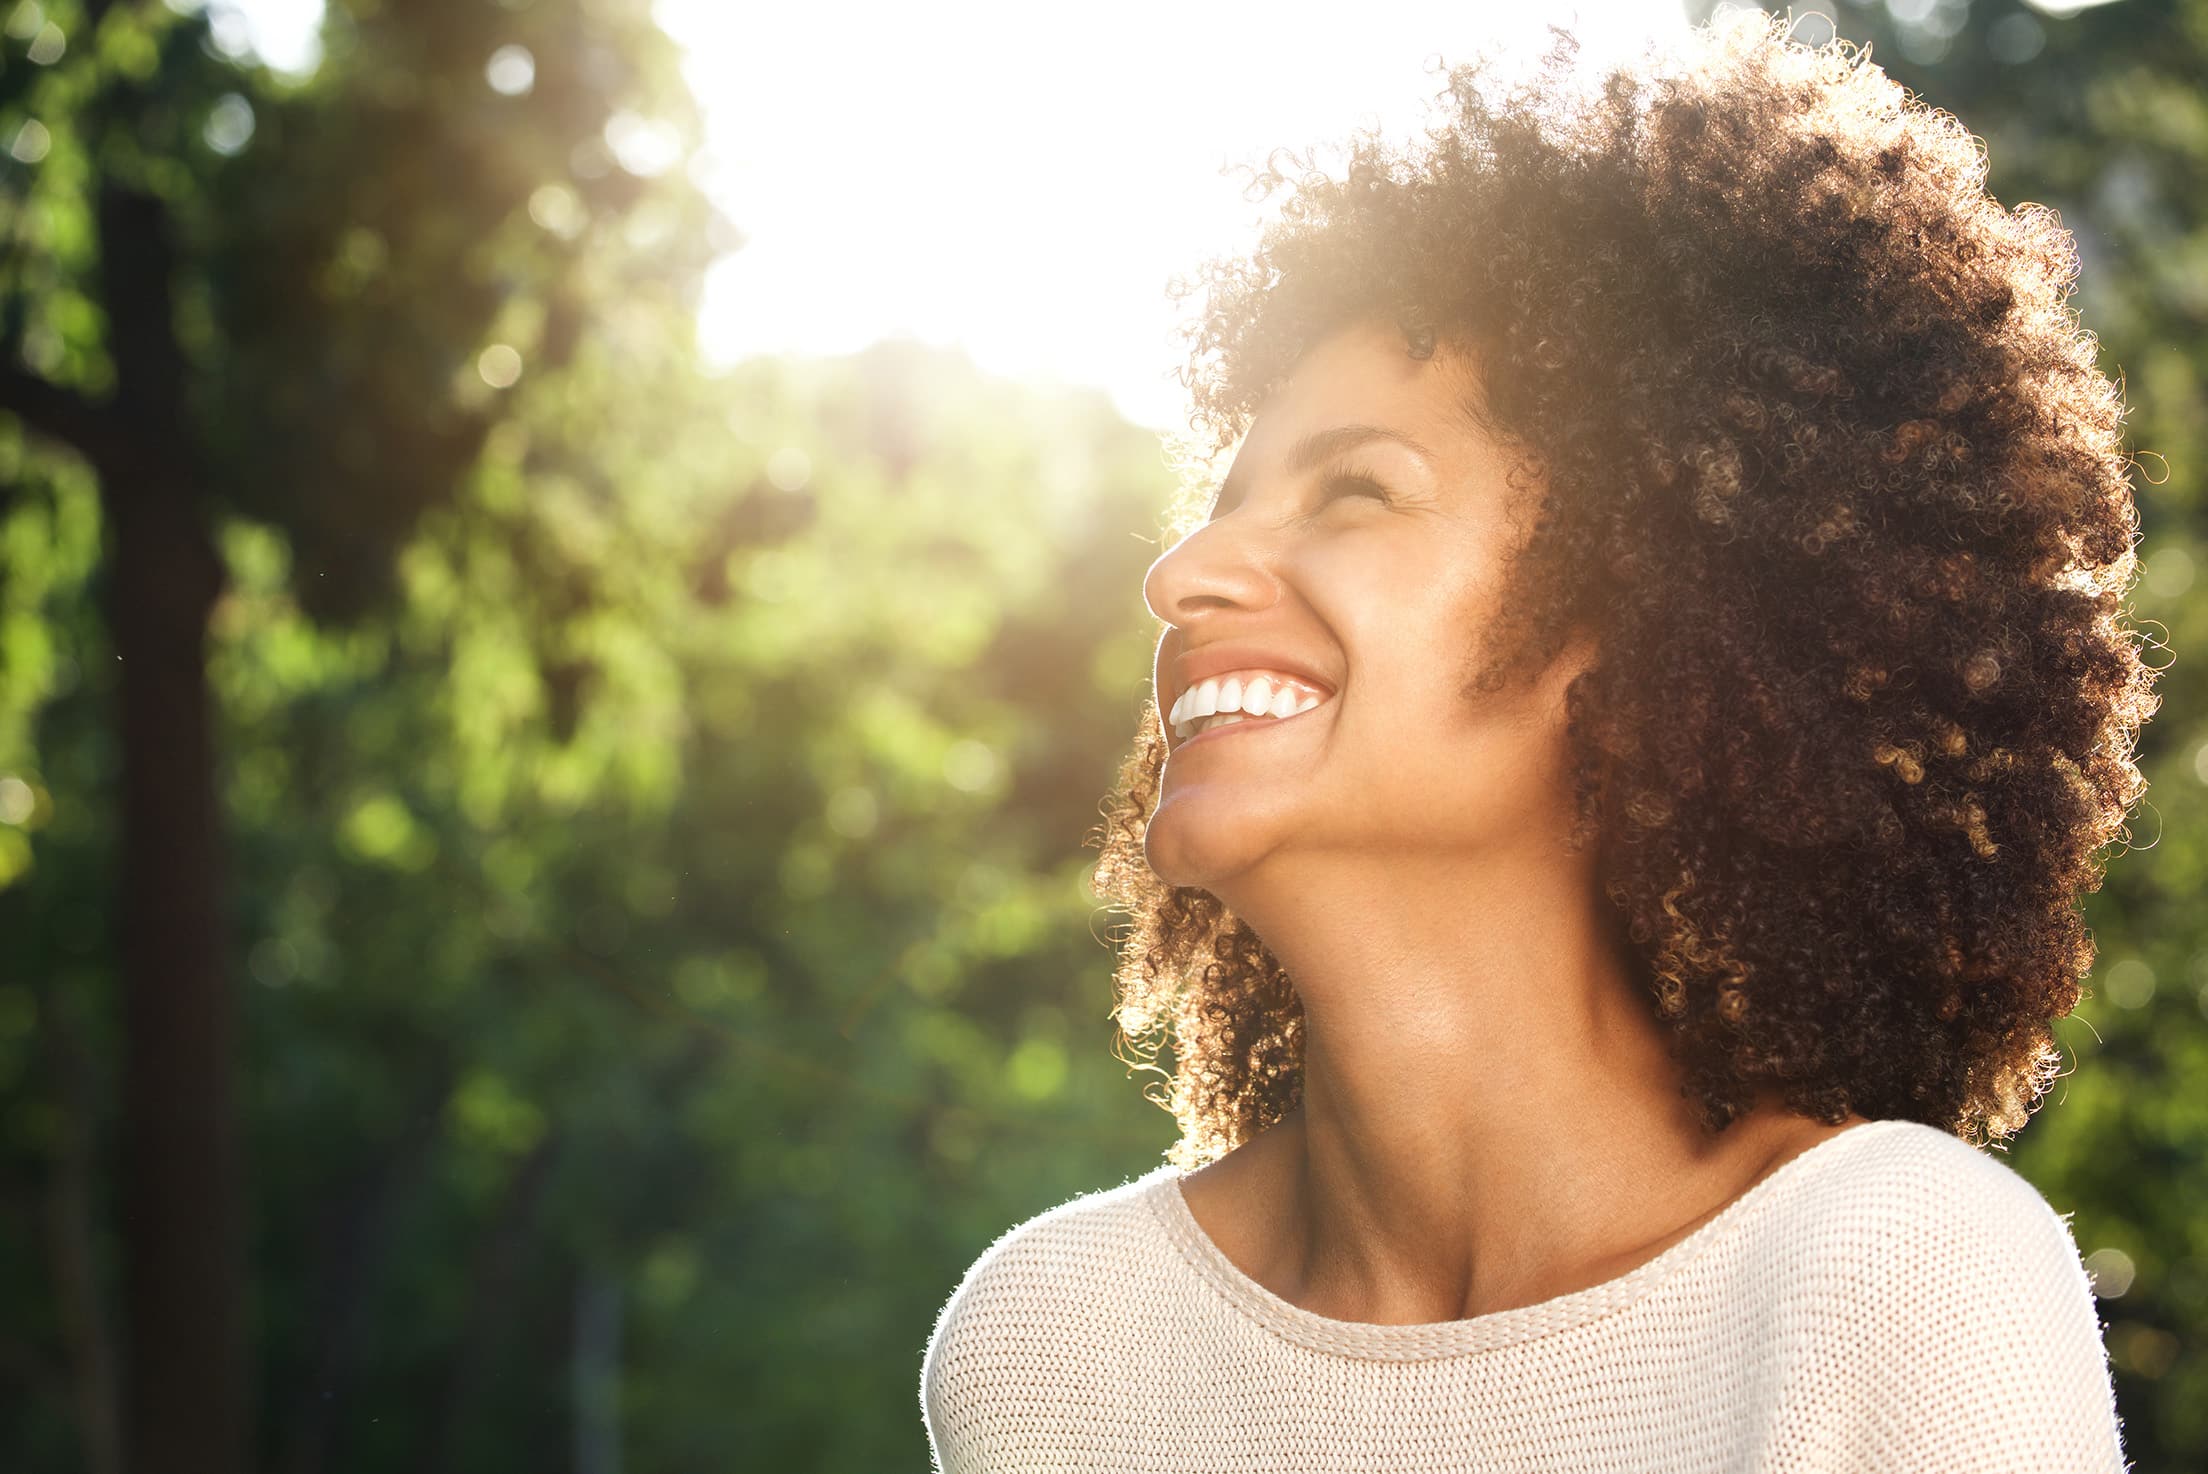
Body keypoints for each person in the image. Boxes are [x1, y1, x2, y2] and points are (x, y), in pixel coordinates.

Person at [922, 13, 2152, 1471]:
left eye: (1357, 492)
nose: (1183, 575)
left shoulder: (1896, 1278)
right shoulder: (1056, 1347)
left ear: (1642, 612)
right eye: (1222, 502)